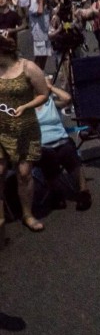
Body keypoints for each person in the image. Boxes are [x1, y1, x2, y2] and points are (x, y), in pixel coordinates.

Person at [0, 35, 49, 235]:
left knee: (23, 173)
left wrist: (25, 106)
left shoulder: (27, 67)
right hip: (1, 129)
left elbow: (43, 94)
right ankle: (1, 216)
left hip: (25, 128)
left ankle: (27, 214)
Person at [35, 75, 92, 211]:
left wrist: (50, 87)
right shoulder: (28, 106)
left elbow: (67, 99)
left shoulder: (51, 102)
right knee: (47, 156)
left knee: (67, 150)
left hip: (61, 140)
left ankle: (84, 192)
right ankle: (56, 193)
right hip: (42, 145)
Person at [28, 0, 53, 71]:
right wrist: (40, 1)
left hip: (46, 35)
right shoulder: (33, 7)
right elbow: (39, 12)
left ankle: (41, 72)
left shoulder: (45, 7)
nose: (45, 0)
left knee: (45, 55)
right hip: (38, 35)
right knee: (39, 56)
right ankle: (35, 73)